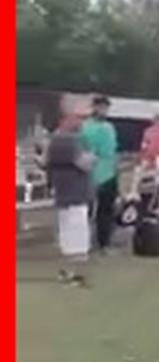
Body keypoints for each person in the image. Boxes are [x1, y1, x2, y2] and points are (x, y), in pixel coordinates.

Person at [46, 96, 94, 287]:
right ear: (66, 119)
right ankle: (72, 275)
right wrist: (91, 157)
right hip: (73, 194)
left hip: (66, 193)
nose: (81, 122)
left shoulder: (58, 140)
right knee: (75, 237)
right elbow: (85, 163)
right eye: (78, 118)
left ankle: (69, 274)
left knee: (69, 235)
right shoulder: (65, 140)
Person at [81, 95, 118, 253]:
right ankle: (83, 242)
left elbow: (112, 151)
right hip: (90, 173)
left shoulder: (109, 127)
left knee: (106, 210)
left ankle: (104, 243)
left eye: (106, 108)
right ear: (94, 108)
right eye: (101, 107)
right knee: (87, 210)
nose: (104, 111)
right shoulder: (85, 127)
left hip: (108, 172)